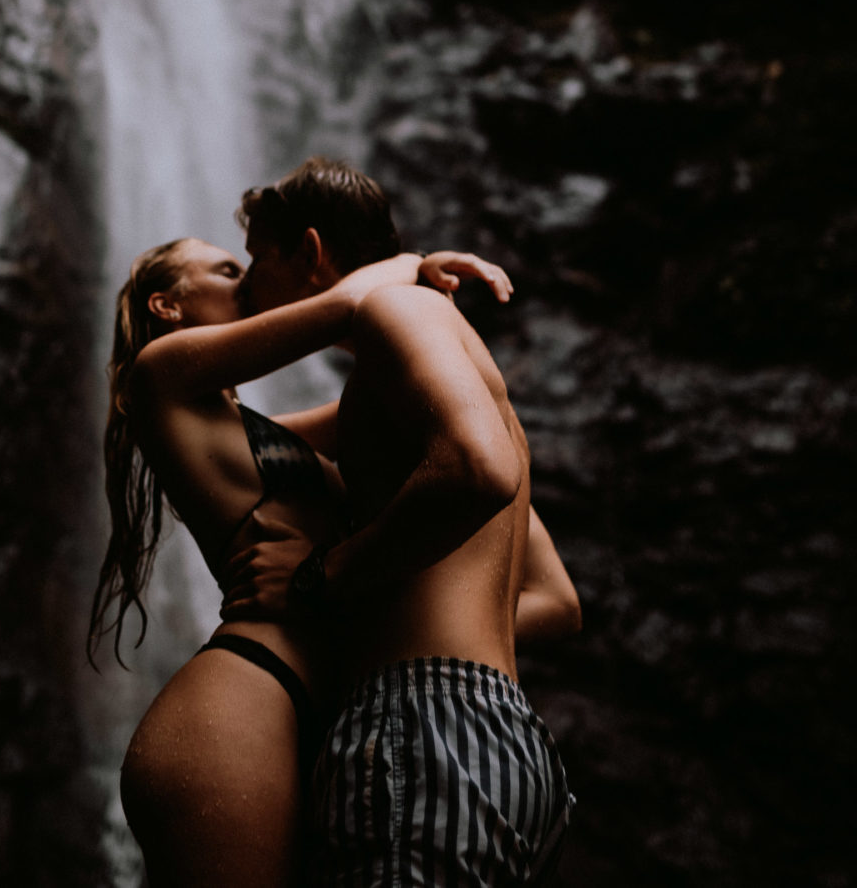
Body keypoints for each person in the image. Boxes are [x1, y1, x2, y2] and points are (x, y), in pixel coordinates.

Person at [87, 199, 574, 888]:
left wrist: (354, 592)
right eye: (228, 270)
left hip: (344, 714)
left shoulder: (261, 432)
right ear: (167, 305)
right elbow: (352, 305)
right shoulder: (159, 374)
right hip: (249, 695)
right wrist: (412, 268)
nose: (248, 281)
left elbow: (404, 390)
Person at [221, 157, 578, 886]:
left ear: (311, 253)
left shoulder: (401, 313)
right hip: (499, 737)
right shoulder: (414, 382)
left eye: (256, 264)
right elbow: (558, 601)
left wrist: (323, 577)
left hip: (422, 729)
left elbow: (478, 472)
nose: (247, 291)